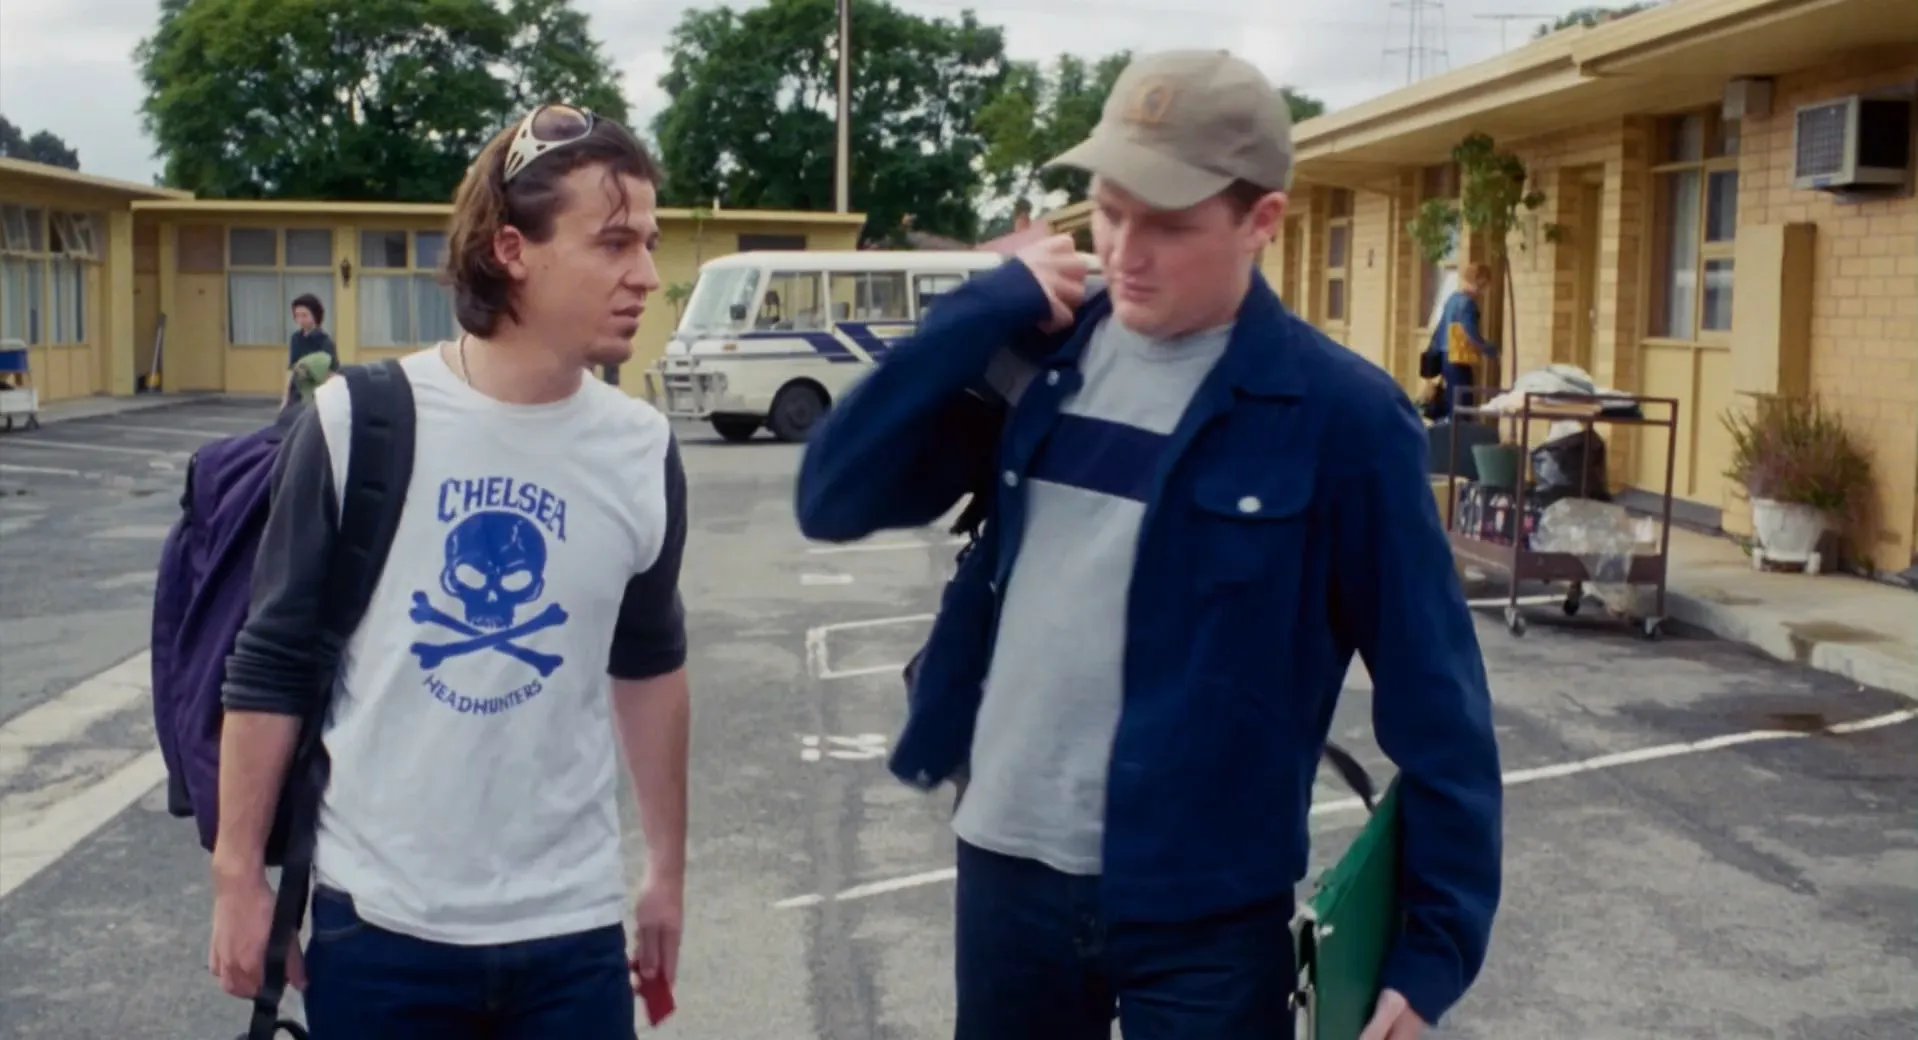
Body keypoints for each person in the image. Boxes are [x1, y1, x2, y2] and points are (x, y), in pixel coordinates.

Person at [794, 49, 1503, 1040]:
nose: (1126, 251)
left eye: (1167, 225)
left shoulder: (1341, 419)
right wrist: (978, 308)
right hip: (1008, 871)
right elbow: (832, 495)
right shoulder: (1040, 360)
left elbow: (1439, 700)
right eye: (1109, 212)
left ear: (1261, 220)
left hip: (1209, 906)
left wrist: (1430, 951)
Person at [208, 103, 691, 1038]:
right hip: (383, 929)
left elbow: (650, 664)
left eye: (649, 243)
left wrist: (666, 868)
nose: (644, 274)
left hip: (573, 933)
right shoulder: (358, 421)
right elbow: (271, 661)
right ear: (512, 251)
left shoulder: (640, 448)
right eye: (613, 244)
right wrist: (237, 875)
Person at [1423, 262, 1498, 419]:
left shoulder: (1452, 299)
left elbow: (1439, 330)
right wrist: (1490, 350)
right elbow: (1470, 333)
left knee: (1451, 403)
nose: (1485, 290)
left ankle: (1446, 429)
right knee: (1463, 406)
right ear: (1479, 282)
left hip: (1444, 358)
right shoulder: (1468, 303)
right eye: (1485, 285)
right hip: (1459, 359)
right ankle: (1457, 432)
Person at [288, 293, 339, 371]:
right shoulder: (295, 338)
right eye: (297, 315)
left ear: (315, 315)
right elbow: (292, 365)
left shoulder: (325, 341)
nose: (300, 320)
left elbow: (333, 370)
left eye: (304, 315)